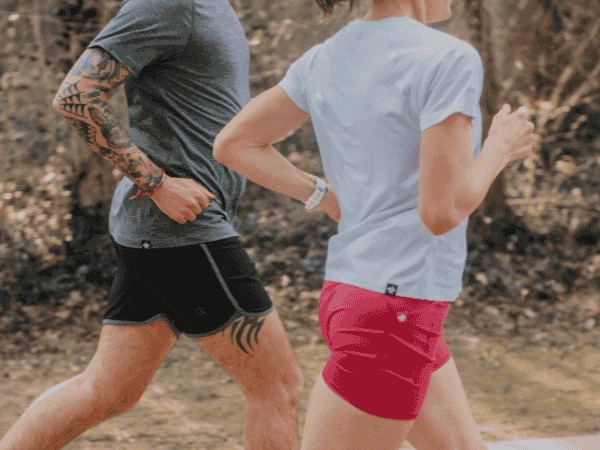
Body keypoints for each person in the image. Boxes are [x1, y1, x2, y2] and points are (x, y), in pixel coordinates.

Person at [212, 0, 535, 449]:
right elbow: (441, 212)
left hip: (354, 297)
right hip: (394, 315)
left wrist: (323, 196)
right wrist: (499, 147)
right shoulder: (447, 57)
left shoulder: (324, 57)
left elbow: (234, 143)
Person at [0, 1, 304, 450]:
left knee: (108, 391)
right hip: (183, 232)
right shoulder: (170, 3)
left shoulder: (213, 6)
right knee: (277, 388)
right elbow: (75, 95)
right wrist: (157, 183)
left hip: (160, 232)